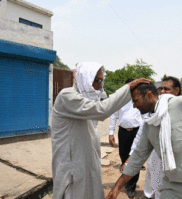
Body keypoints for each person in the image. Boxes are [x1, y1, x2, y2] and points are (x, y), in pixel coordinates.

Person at [51, 62, 150, 199]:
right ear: (85, 78)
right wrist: (127, 89)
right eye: (96, 80)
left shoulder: (86, 100)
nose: (99, 85)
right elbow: (103, 110)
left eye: (101, 81)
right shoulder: (67, 96)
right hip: (72, 167)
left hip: (86, 165)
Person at [125, 76, 181, 199]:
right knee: (155, 185)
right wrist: (130, 157)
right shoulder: (152, 112)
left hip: (175, 161)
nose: (162, 92)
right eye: (161, 89)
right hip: (154, 158)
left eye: (167, 89)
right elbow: (140, 136)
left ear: (176, 91)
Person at [108, 78, 142, 198]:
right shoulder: (120, 100)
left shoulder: (140, 99)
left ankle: (131, 186)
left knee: (135, 159)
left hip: (136, 132)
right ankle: (126, 181)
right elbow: (113, 116)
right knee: (124, 158)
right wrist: (110, 132)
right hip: (123, 132)